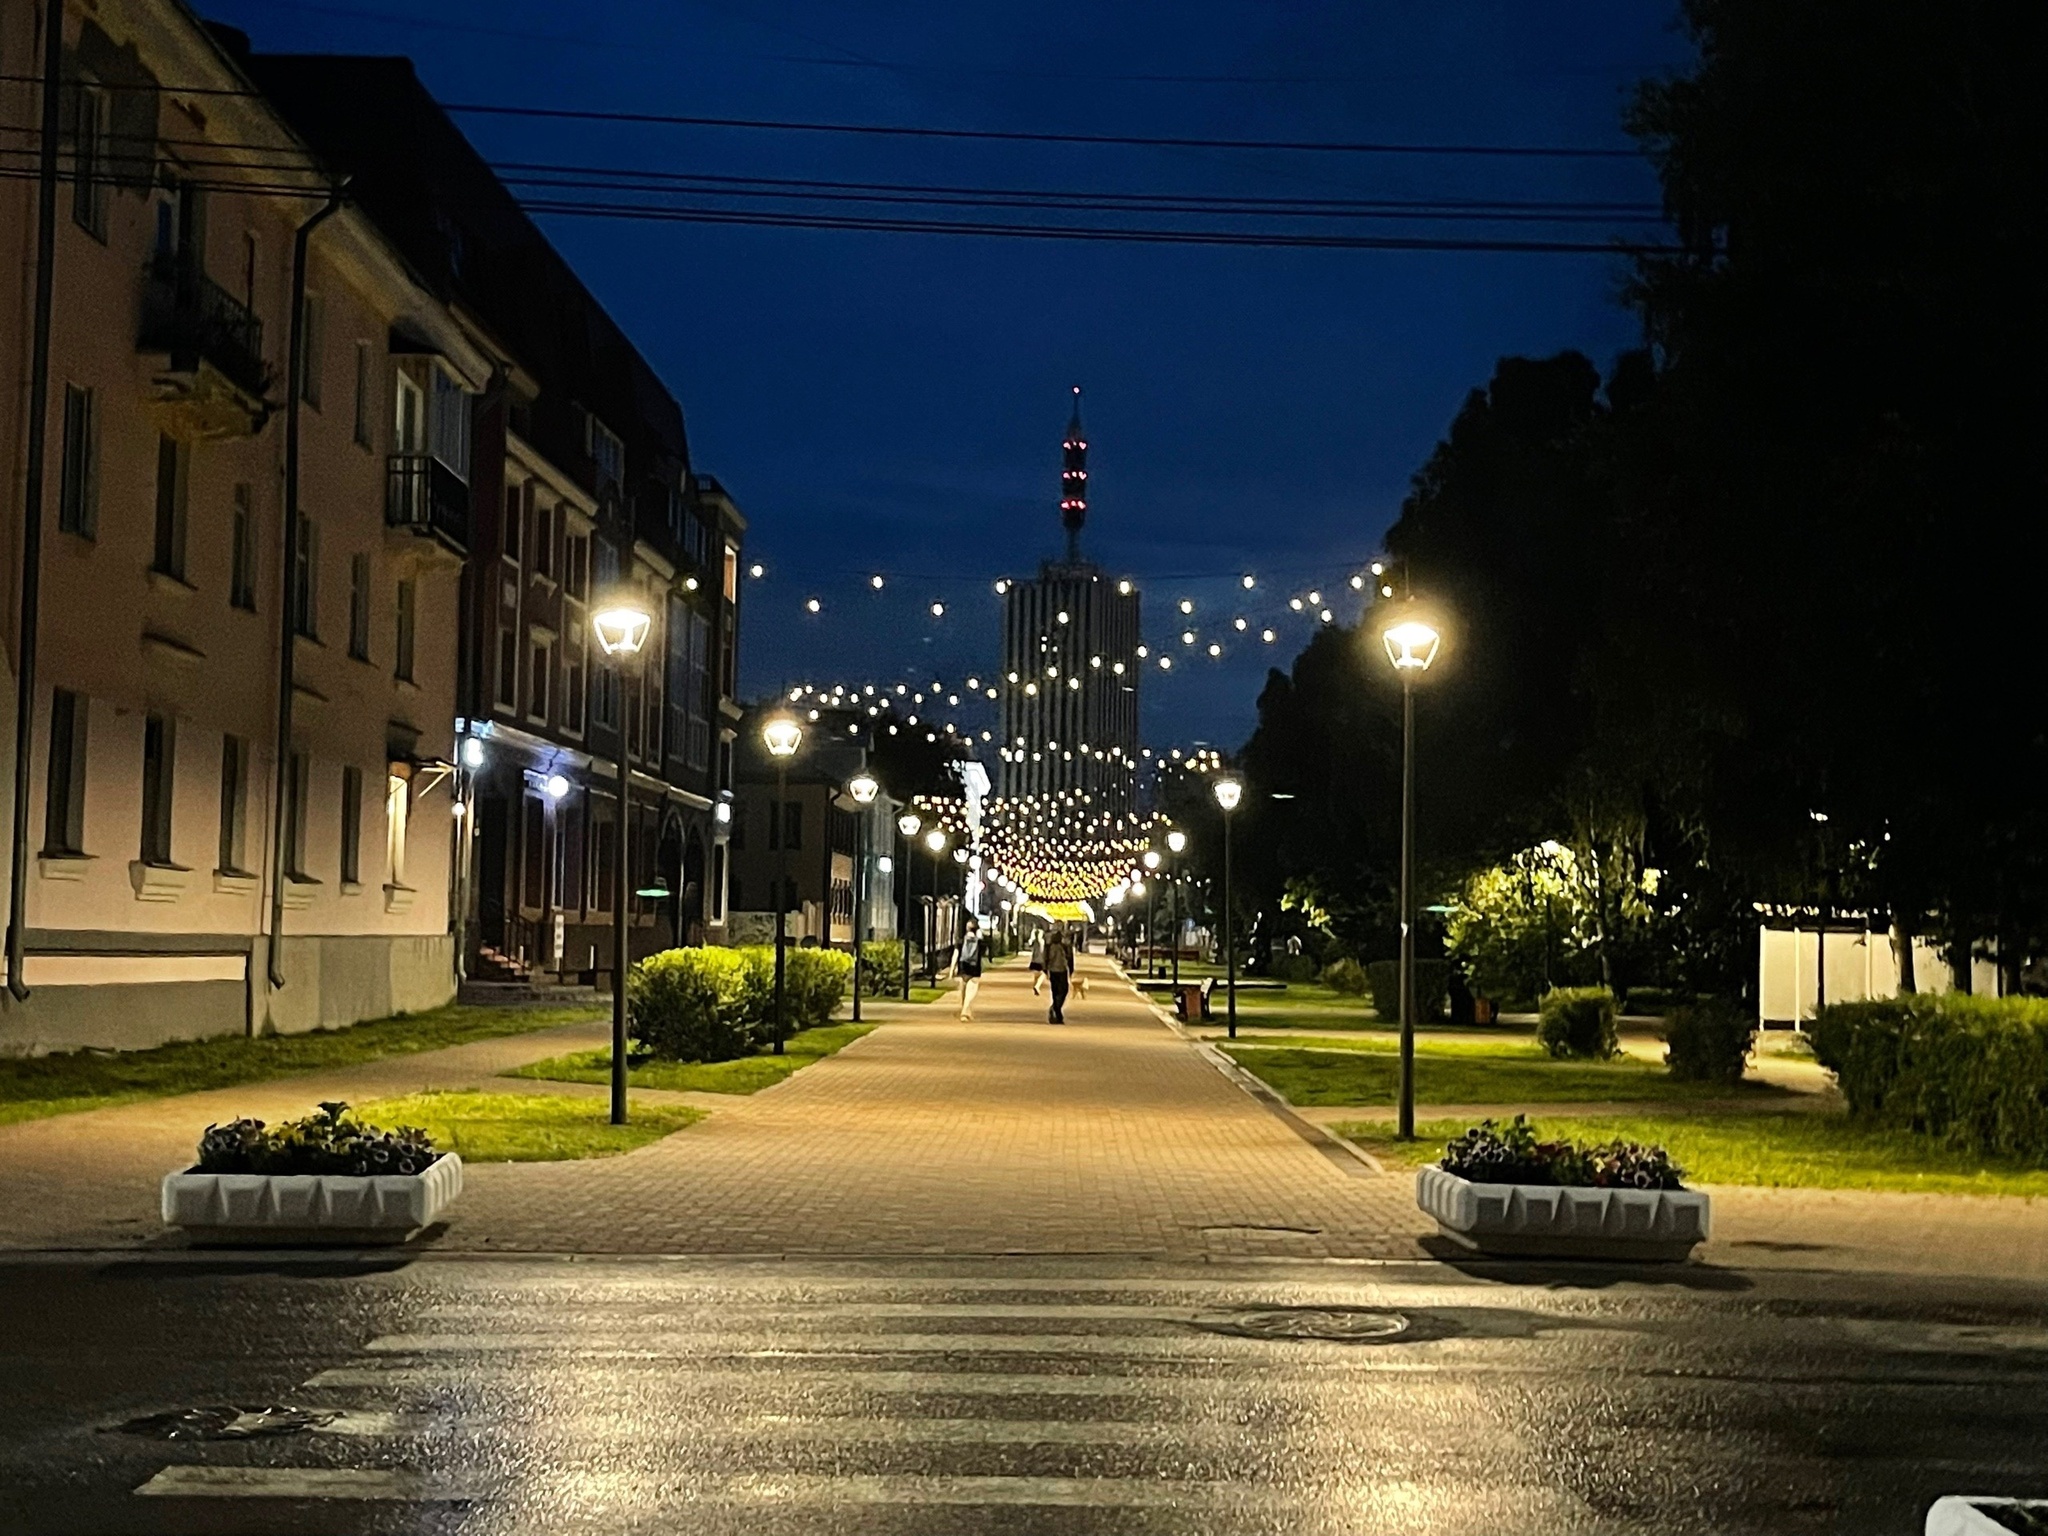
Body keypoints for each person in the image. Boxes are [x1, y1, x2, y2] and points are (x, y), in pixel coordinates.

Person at [1042, 923, 1075, 1024]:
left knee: (1056, 991)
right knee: (1062, 991)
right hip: (1061, 969)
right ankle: (1056, 1010)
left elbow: (1045, 957)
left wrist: (1045, 968)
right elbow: (1070, 957)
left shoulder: (1049, 944)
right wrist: (1071, 969)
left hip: (1053, 970)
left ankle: (1056, 1010)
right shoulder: (1065, 944)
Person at [953, 916, 984, 1020]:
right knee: (972, 989)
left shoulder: (961, 941)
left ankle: (966, 1010)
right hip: (975, 967)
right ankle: (965, 1010)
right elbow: (985, 952)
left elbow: (956, 954)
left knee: (963, 989)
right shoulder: (979, 942)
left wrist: (953, 968)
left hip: (963, 965)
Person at [1029, 929, 1047, 996]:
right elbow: (1043, 952)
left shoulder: (1034, 942)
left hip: (1034, 960)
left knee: (1036, 976)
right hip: (1040, 960)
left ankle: (1036, 987)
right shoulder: (1041, 942)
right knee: (1043, 974)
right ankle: (1037, 986)